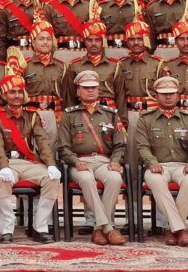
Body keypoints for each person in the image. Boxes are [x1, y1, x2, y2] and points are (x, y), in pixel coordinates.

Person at [57, 70, 127, 246]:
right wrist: (76, 161)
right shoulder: (69, 115)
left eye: (93, 88)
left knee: (115, 178)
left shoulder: (110, 114)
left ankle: (98, 228)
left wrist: (115, 161)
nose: (90, 91)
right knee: (87, 179)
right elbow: (63, 147)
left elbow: (120, 144)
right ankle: (108, 228)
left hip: (104, 161)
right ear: (78, 91)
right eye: (85, 88)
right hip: (80, 162)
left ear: (98, 90)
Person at [0, 74, 59, 243]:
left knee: (52, 179)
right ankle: (7, 230)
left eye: (20, 92)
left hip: (29, 163)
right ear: (4, 95)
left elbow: (42, 141)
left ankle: (40, 227)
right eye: (12, 92)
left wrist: (51, 164)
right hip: (8, 163)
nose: (17, 96)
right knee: (2, 181)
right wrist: (3, 166)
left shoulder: (32, 116)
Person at [136, 75, 188, 246]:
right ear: (156, 96)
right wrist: (152, 163)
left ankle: (171, 229)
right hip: (158, 166)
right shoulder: (146, 118)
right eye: (163, 93)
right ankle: (180, 229)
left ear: (177, 95)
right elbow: (143, 146)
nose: (168, 97)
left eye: (171, 93)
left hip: (183, 166)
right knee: (156, 181)